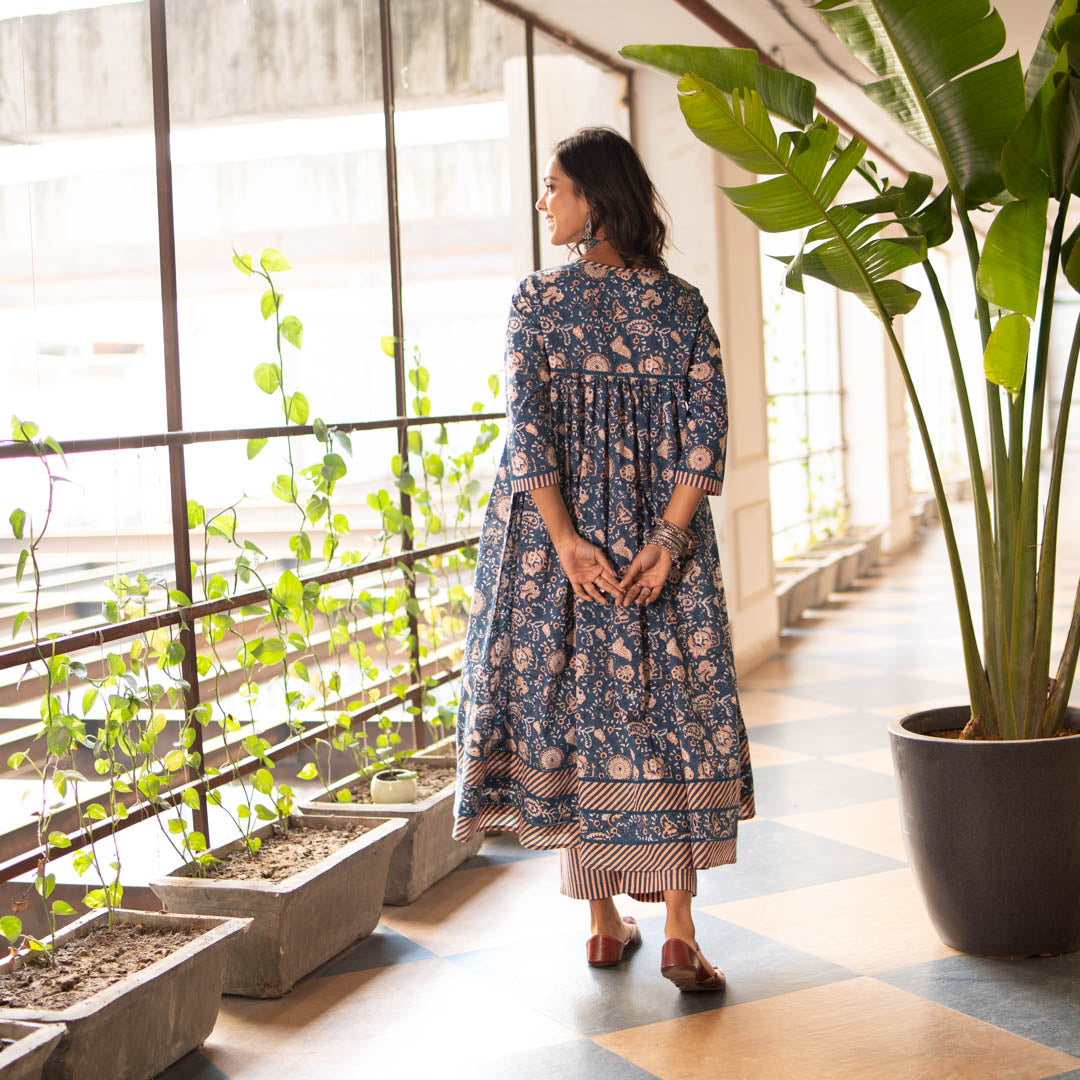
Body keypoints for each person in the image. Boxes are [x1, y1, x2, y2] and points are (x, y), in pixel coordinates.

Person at [451, 126, 754, 992]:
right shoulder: (682, 305)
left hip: (561, 550)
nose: (542, 201)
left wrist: (566, 538)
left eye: (552, 186)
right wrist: (667, 537)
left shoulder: (536, 303)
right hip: (665, 547)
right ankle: (681, 932)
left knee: (581, 712)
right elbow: (708, 434)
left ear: (593, 196)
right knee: (671, 715)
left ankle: (601, 923)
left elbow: (528, 431)